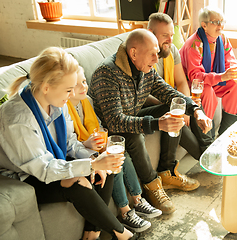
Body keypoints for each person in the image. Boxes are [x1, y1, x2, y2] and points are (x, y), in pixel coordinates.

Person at [0, 47, 137, 240]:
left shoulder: (56, 101)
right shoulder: (18, 119)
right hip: (22, 174)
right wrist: (90, 165)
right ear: (46, 87)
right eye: (68, 90)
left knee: (105, 168)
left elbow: (70, 142)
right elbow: (43, 169)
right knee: (77, 181)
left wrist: (94, 160)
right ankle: (123, 235)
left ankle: (92, 231)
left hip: (49, 160)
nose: (71, 95)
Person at [89, 29, 212, 214]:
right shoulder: (107, 73)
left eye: (157, 53)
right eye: (152, 54)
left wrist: (196, 111)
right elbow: (115, 121)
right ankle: (152, 186)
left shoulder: (146, 69)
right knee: (135, 136)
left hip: (131, 116)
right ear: (133, 53)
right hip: (108, 129)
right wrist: (156, 124)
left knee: (171, 109)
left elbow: (169, 93)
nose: (157, 59)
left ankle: (167, 172)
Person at [67, 66, 162, 233]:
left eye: (84, 81)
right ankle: (125, 213)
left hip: (93, 146)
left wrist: (102, 138)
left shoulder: (86, 101)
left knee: (121, 154)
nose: (84, 86)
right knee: (111, 162)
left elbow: (100, 125)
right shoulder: (63, 108)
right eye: (77, 84)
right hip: (80, 153)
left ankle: (138, 200)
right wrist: (88, 145)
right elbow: (69, 145)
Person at [147, 12, 214, 160]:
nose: (170, 40)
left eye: (171, 35)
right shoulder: (143, 56)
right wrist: (179, 106)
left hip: (168, 96)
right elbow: (145, 95)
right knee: (176, 109)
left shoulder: (171, 51)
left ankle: (209, 147)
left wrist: (185, 105)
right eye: (165, 35)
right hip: (154, 103)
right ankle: (205, 155)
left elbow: (182, 82)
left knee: (193, 102)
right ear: (151, 33)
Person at [179, 6, 237, 136]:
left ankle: (227, 131)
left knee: (236, 84)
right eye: (216, 22)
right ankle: (206, 133)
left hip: (213, 78)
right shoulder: (194, 44)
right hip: (192, 84)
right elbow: (195, 77)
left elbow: (230, 60)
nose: (220, 25)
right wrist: (221, 77)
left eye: (222, 22)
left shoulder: (222, 39)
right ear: (204, 25)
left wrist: (236, 73)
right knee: (208, 90)